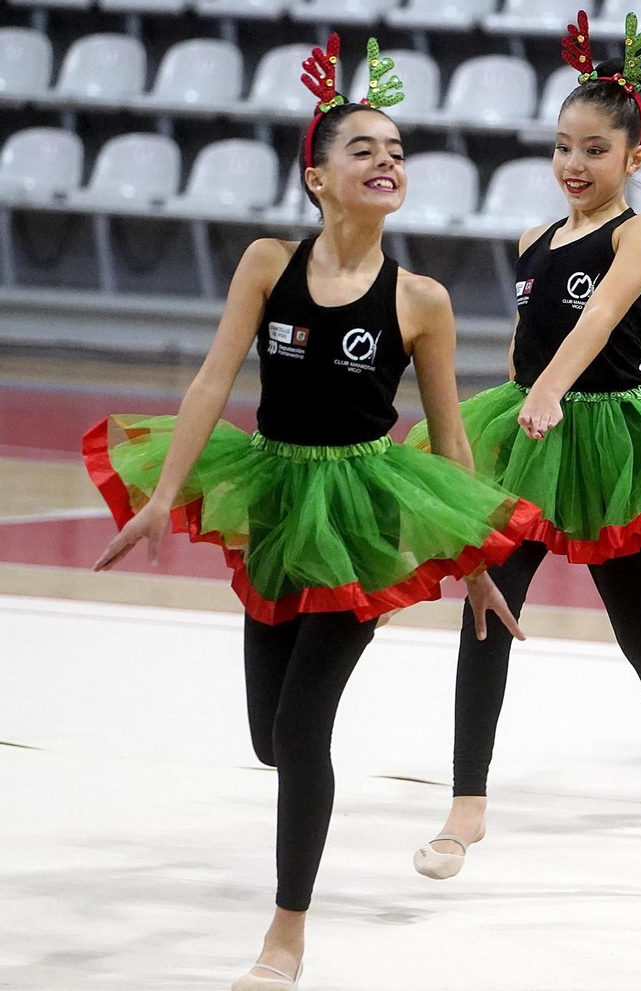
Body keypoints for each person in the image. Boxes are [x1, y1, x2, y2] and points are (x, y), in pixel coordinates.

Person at [82, 35, 530, 990]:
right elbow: (211, 381)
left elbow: (451, 446)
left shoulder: (422, 300)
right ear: (316, 176)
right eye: (363, 149)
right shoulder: (264, 264)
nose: (386, 162)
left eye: (397, 151)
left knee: (299, 730)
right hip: (276, 496)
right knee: (266, 734)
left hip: (361, 511)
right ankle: (303, 820)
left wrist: (476, 561)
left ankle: (285, 934)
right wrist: (165, 493)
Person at [409, 10, 641, 881]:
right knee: (489, 607)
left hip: (606, 441)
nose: (574, 166)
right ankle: (464, 807)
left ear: (632, 159)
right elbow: (528, 341)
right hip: (529, 436)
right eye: (562, 147)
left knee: (640, 624)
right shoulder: (531, 241)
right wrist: (526, 393)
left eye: (594, 150)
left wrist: (551, 389)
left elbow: (600, 316)